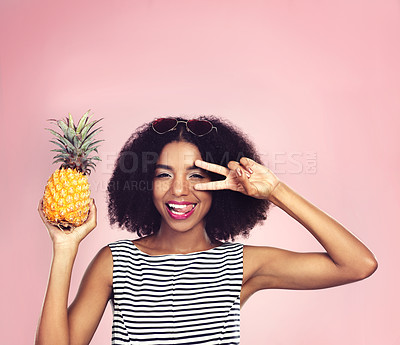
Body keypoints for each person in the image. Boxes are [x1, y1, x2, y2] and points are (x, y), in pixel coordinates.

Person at [36, 116, 377, 345]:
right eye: (163, 174)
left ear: (219, 185)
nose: (180, 191)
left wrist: (274, 190)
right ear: (145, 185)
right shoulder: (117, 262)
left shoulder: (239, 264)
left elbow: (357, 264)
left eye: (196, 176)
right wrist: (64, 248)